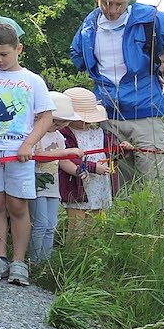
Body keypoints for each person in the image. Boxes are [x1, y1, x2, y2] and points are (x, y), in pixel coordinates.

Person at [70, 0, 164, 195]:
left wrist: (161, 58)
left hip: (146, 114)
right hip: (108, 117)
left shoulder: (149, 18)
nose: (113, 10)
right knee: (118, 190)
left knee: (157, 188)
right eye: (107, 3)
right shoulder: (89, 25)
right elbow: (76, 55)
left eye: (120, 4)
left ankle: (161, 219)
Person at [0, 23, 54, 287]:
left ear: (19, 49)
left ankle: (19, 260)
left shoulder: (33, 81)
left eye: (4, 54)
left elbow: (46, 117)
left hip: (18, 153)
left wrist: (29, 144)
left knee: (17, 205)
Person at [60, 87, 119, 235]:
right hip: (78, 185)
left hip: (99, 184)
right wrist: (92, 167)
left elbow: (111, 150)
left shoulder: (99, 133)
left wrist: (122, 149)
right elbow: (69, 159)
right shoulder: (65, 135)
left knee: (96, 225)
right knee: (77, 227)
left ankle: (94, 247)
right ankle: (75, 248)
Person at [29, 91, 79, 264]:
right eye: (55, 121)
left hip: (53, 186)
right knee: (40, 224)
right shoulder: (35, 133)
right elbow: (38, 156)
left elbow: (63, 161)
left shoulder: (58, 136)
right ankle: (34, 260)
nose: (58, 126)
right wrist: (66, 152)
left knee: (51, 224)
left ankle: (46, 261)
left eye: (63, 123)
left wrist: (77, 170)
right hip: (36, 184)